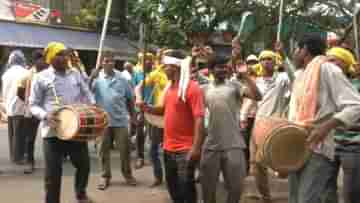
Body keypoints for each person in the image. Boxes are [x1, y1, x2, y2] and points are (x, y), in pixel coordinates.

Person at [288, 33, 360, 203]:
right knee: (294, 199)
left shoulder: (328, 69)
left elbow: (355, 105)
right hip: (296, 145)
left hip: (318, 148)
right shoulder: (300, 75)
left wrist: (325, 127)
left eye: (296, 50)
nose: (294, 54)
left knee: (307, 200)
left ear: (304, 50)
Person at [29, 42, 95, 203]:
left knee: (84, 166)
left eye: (65, 54)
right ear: (51, 58)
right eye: (60, 54)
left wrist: (91, 105)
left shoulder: (75, 74)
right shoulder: (40, 77)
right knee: (53, 174)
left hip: (76, 130)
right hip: (53, 133)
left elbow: (87, 94)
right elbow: (33, 105)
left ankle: (81, 194)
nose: (65, 58)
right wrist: (45, 116)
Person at [142, 50, 204, 203]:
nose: (163, 69)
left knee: (187, 190)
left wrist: (196, 148)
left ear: (175, 67)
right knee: (173, 189)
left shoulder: (192, 88)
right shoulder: (169, 88)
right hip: (168, 148)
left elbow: (199, 119)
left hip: (185, 150)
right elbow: (163, 110)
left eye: (166, 66)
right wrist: (147, 107)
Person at [200, 56, 262, 203]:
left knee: (235, 188)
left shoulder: (234, 86)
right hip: (211, 145)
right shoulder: (204, 89)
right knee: (207, 189)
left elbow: (258, 96)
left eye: (225, 66)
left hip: (233, 144)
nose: (223, 69)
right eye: (219, 67)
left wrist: (246, 76)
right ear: (211, 70)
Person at [250, 49, 292, 203]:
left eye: (270, 58)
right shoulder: (256, 81)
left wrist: (285, 56)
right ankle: (265, 197)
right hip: (258, 125)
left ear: (275, 62)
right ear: (259, 62)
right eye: (263, 59)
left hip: (276, 125)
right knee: (255, 164)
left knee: (282, 165)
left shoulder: (282, 78)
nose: (266, 61)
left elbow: (295, 78)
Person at [92, 52, 137, 190]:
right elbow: (85, 93)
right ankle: (105, 176)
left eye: (112, 61)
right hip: (103, 121)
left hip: (120, 120)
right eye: (106, 61)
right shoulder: (97, 78)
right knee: (103, 150)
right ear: (102, 63)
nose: (109, 63)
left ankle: (128, 174)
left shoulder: (122, 78)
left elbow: (130, 98)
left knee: (125, 149)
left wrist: (133, 117)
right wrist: (90, 78)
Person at [326, 47, 360, 203]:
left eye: (333, 60)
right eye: (328, 60)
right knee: (326, 191)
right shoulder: (327, 84)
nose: (329, 63)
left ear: (346, 63)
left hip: (354, 146)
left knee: (351, 193)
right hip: (330, 145)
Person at [135, 49, 169, 187]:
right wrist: (138, 99)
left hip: (174, 117)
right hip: (157, 116)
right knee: (153, 149)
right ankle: (158, 176)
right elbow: (138, 87)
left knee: (171, 151)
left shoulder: (181, 74)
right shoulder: (157, 74)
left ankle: (172, 177)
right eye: (163, 57)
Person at [17, 50, 48, 174]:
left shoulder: (49, 73)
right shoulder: (28, 75)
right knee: (30, 138)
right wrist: (28, 102)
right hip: (32, 111)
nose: (42, 61)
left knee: (54, 135)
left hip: (47, 109)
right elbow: (19, 91)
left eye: (43, 59)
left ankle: (59, 158)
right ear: (35, 61)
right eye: (39, 59)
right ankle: (30, 162)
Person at [1, 50, 29, 165]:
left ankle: (13, 156)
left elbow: (3, 91)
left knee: (12, 133)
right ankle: (18, 157)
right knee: (19, 133)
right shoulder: (25, 73)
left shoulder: (6, 74)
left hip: (9, 106)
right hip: (20, 106)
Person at [132, 52, 155, 169]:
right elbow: (133, 90)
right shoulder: (137, 74)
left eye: (150, 60)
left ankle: (153, 157)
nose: (148, 62)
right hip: (140, 108)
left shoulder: (157, 74)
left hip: (154, 108)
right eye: (145, 60)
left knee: (153, 135)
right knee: (140, 133)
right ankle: (140, 157)